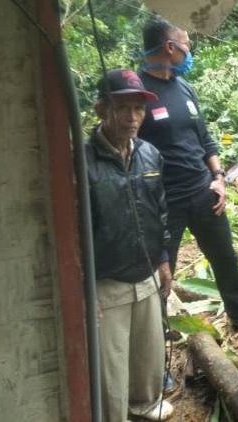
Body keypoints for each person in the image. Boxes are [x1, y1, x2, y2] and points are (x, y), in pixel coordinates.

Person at [137, 15, 238, 335]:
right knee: (162, 271)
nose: (189, 50)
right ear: (170, 47)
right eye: (187, 44)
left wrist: (218, 177)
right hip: (165, 201)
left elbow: (205, 139)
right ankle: (157, 337)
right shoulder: (138, 93)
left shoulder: (184, 87)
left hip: (202, 190)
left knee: (224, 256)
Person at [87, 69, 174, 421]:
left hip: (146, 273)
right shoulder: (82, 160)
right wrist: (85, 287)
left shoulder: (150, 154)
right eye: (122, 108)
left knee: (148, 356)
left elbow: (161, 210)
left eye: (138, 108)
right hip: (107, 281)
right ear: (100, 110)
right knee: (112, 368)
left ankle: (145, 406)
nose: (132, 117)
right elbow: (76, 231)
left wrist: (164, 259)